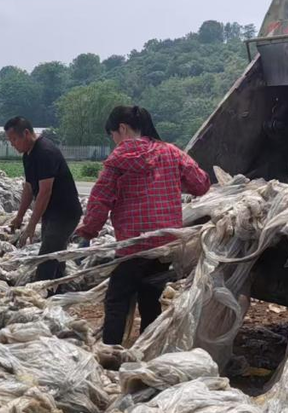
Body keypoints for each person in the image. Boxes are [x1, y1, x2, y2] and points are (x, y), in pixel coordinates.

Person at [76, 105, 210, 345]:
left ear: (122, 128)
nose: (114, 141)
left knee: (116, 300)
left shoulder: (117, 159)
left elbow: (100, 199)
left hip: (133, 246)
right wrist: (174, 183)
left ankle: (111, 351)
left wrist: (88, 230)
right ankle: (148, 348)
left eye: (113, 135)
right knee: (151, 300)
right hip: (164, 246)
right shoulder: (171, 152)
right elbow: (201, 184)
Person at [5, 116, 83, 282]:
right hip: (51, 212)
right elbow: (29, 188)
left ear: (26, 133)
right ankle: (57, 288)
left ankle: (40, 291)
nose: (12, 144)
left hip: (65, 213)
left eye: (14, 139)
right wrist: (19, 217)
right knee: (56, 253)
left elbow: (44, 192)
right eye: (10, 141)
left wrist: (31, 226)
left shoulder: (45, 152)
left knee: (47, 257)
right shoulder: (28, 155)